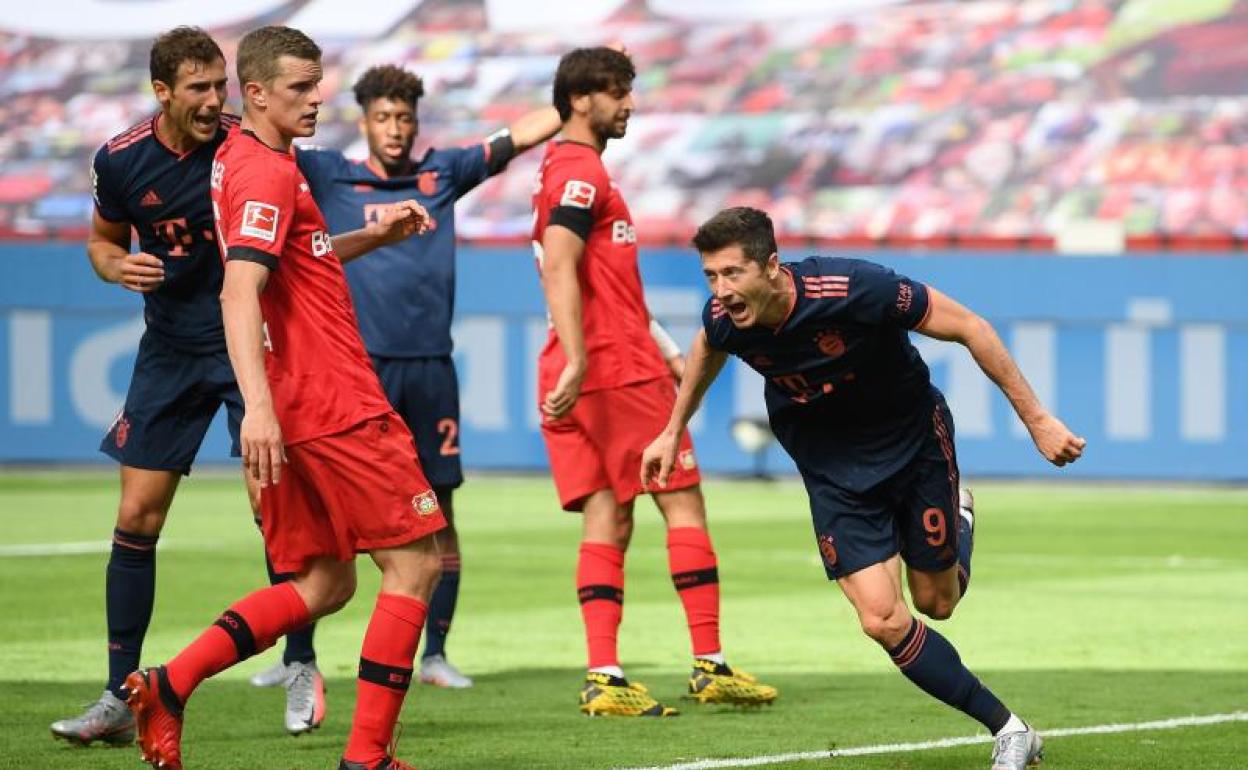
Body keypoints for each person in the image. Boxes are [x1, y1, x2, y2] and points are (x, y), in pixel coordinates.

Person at [642, 206, 1087, 769]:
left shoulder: (855, 288)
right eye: (711, 276)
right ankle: (1010, 729)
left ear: (772, 266)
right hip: (833, 469)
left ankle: (960, 519)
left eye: (732, 273)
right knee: (881, 618)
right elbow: (708, 345)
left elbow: (971, 328)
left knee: (937, 602)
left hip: (912, 445)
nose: (721, 290)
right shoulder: (728, 317)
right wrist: (671, 429)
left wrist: (1038, 421)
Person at [124, 26, 444, 770]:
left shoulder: (250, 159)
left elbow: (293, 258)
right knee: (416, 565)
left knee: (324, 582)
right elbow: (241, 290)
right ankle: (368, 758)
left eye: (318, 83)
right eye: (301, 87)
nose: (319, 98)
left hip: (302, 406)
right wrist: (256, 406)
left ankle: (169, 684)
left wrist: (374, 235)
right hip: (334, 402)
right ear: (258, 93)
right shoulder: (265, 171)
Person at [278, 64, 561, 690]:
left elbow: (518, 135)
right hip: (355, 370)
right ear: (365, 121)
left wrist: (578, 94)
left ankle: (434, 654)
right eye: (383, 117)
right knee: (319, 510)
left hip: (431, 367)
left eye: (404, 117)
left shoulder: (442, 174)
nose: (396, 129)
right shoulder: (329, 173)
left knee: (439, 508)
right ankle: (298, 656)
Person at [532, 47, 777, 716]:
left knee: (608, 518)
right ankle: (709, 663)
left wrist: (664, 348)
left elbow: (606, 284)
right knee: (683, 502)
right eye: (616, 92)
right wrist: (587, 359)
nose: (628, 104)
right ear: (581, 99)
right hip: (611, 367)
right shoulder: (580, 172)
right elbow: (559, 263)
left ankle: (605, 678)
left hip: (593, 361)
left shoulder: (557, 167)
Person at [50, 26, 269, 747]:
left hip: (249, 350)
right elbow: (102, 243)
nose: (215, 101)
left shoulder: (248, 148)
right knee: (138, 516)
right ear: (163, 91)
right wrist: (116, 268)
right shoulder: (120, 159)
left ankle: (300, 664)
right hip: (170, 352)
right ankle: (119, 695)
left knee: (278, 514)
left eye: (220, 85)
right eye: (200, 88)